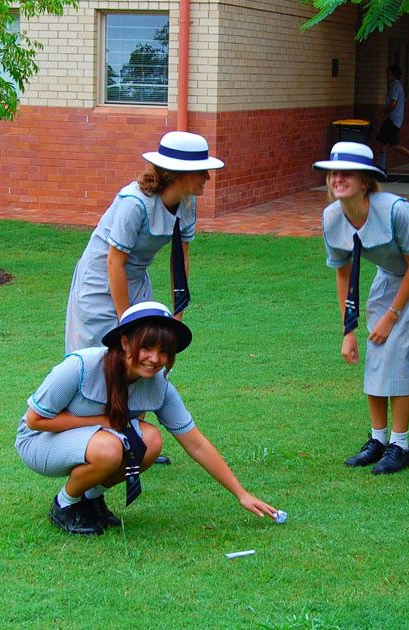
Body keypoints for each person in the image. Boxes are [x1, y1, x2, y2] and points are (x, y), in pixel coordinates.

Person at [16, 301, 279, 535]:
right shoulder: (82, 366)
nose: (155, 359)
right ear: (125, 343)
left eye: (164, 351)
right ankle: (64, 505)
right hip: (39, 441)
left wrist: (241, 494)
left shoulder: (158, 385)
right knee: (109, 448)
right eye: (146, 347)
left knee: (150, 440)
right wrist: (102, 422)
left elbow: (195, 442)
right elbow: (35, 421)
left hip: (91, 441)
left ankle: (91, 498)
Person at [314, 141, 409, 474]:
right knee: (377, 348)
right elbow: (343, 272)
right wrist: (348, 330)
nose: (338, 178)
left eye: (348, 173)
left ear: (366, 181)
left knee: (398, 349)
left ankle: (400, 445)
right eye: (334, 173)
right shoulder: (331, 218)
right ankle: (378, 440)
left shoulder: (396, 211)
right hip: (392, 273)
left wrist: (392, 317)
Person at [64, 131, 224, 353]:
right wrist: (125, 324)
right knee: (102, 357)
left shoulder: (187, 203)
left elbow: (180, 260)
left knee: (145, 352)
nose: (207, 177)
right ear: (179, 174)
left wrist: (177, 319)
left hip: (137, 281)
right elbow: (114, 262)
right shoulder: (134, 204)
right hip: (99, 282)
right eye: (201, 171)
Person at [377, 64, 409, 176]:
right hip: (392, 119)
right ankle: (382, 166)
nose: (386, 77)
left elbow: (393, 104)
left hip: (393, 120)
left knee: (394, 144)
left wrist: (382, 112)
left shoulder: (396, 87)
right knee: (382, 141)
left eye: (388, 74)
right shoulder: (395, 86)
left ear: (392, 75)